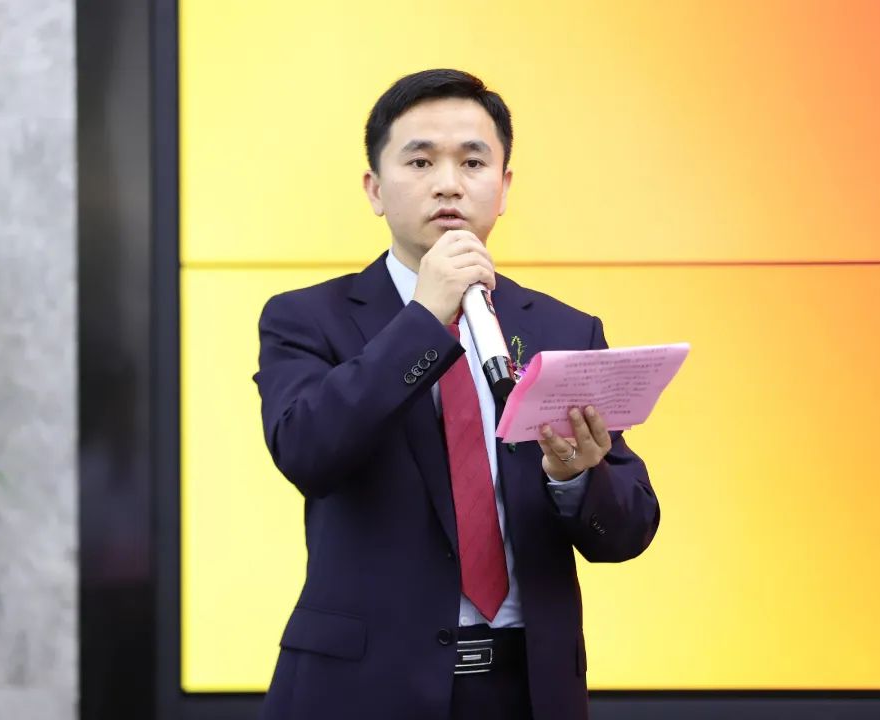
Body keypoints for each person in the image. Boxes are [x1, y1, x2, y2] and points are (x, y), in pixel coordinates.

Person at [254, 68, 660, 720]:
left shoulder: (563, 329)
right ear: (374, 189)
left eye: (473, 162)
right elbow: (306, 449)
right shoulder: (307, 318)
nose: (448, 183)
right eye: (420, 161)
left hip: (527, 690)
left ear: (504, 187)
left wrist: (575, 479)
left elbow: (629, 529)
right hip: (364, 692)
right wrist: (424, 318)